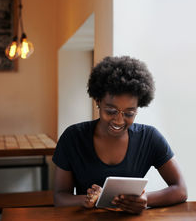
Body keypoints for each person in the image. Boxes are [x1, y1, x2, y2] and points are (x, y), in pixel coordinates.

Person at [52, 56, 187, 214]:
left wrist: (145, 200)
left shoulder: (149, 138)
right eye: (111, 111)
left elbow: (180, 189)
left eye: (129, 113)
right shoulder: (73, 137)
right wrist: (87, 200)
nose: (119, 120)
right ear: (98, 101)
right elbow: (60, 197)